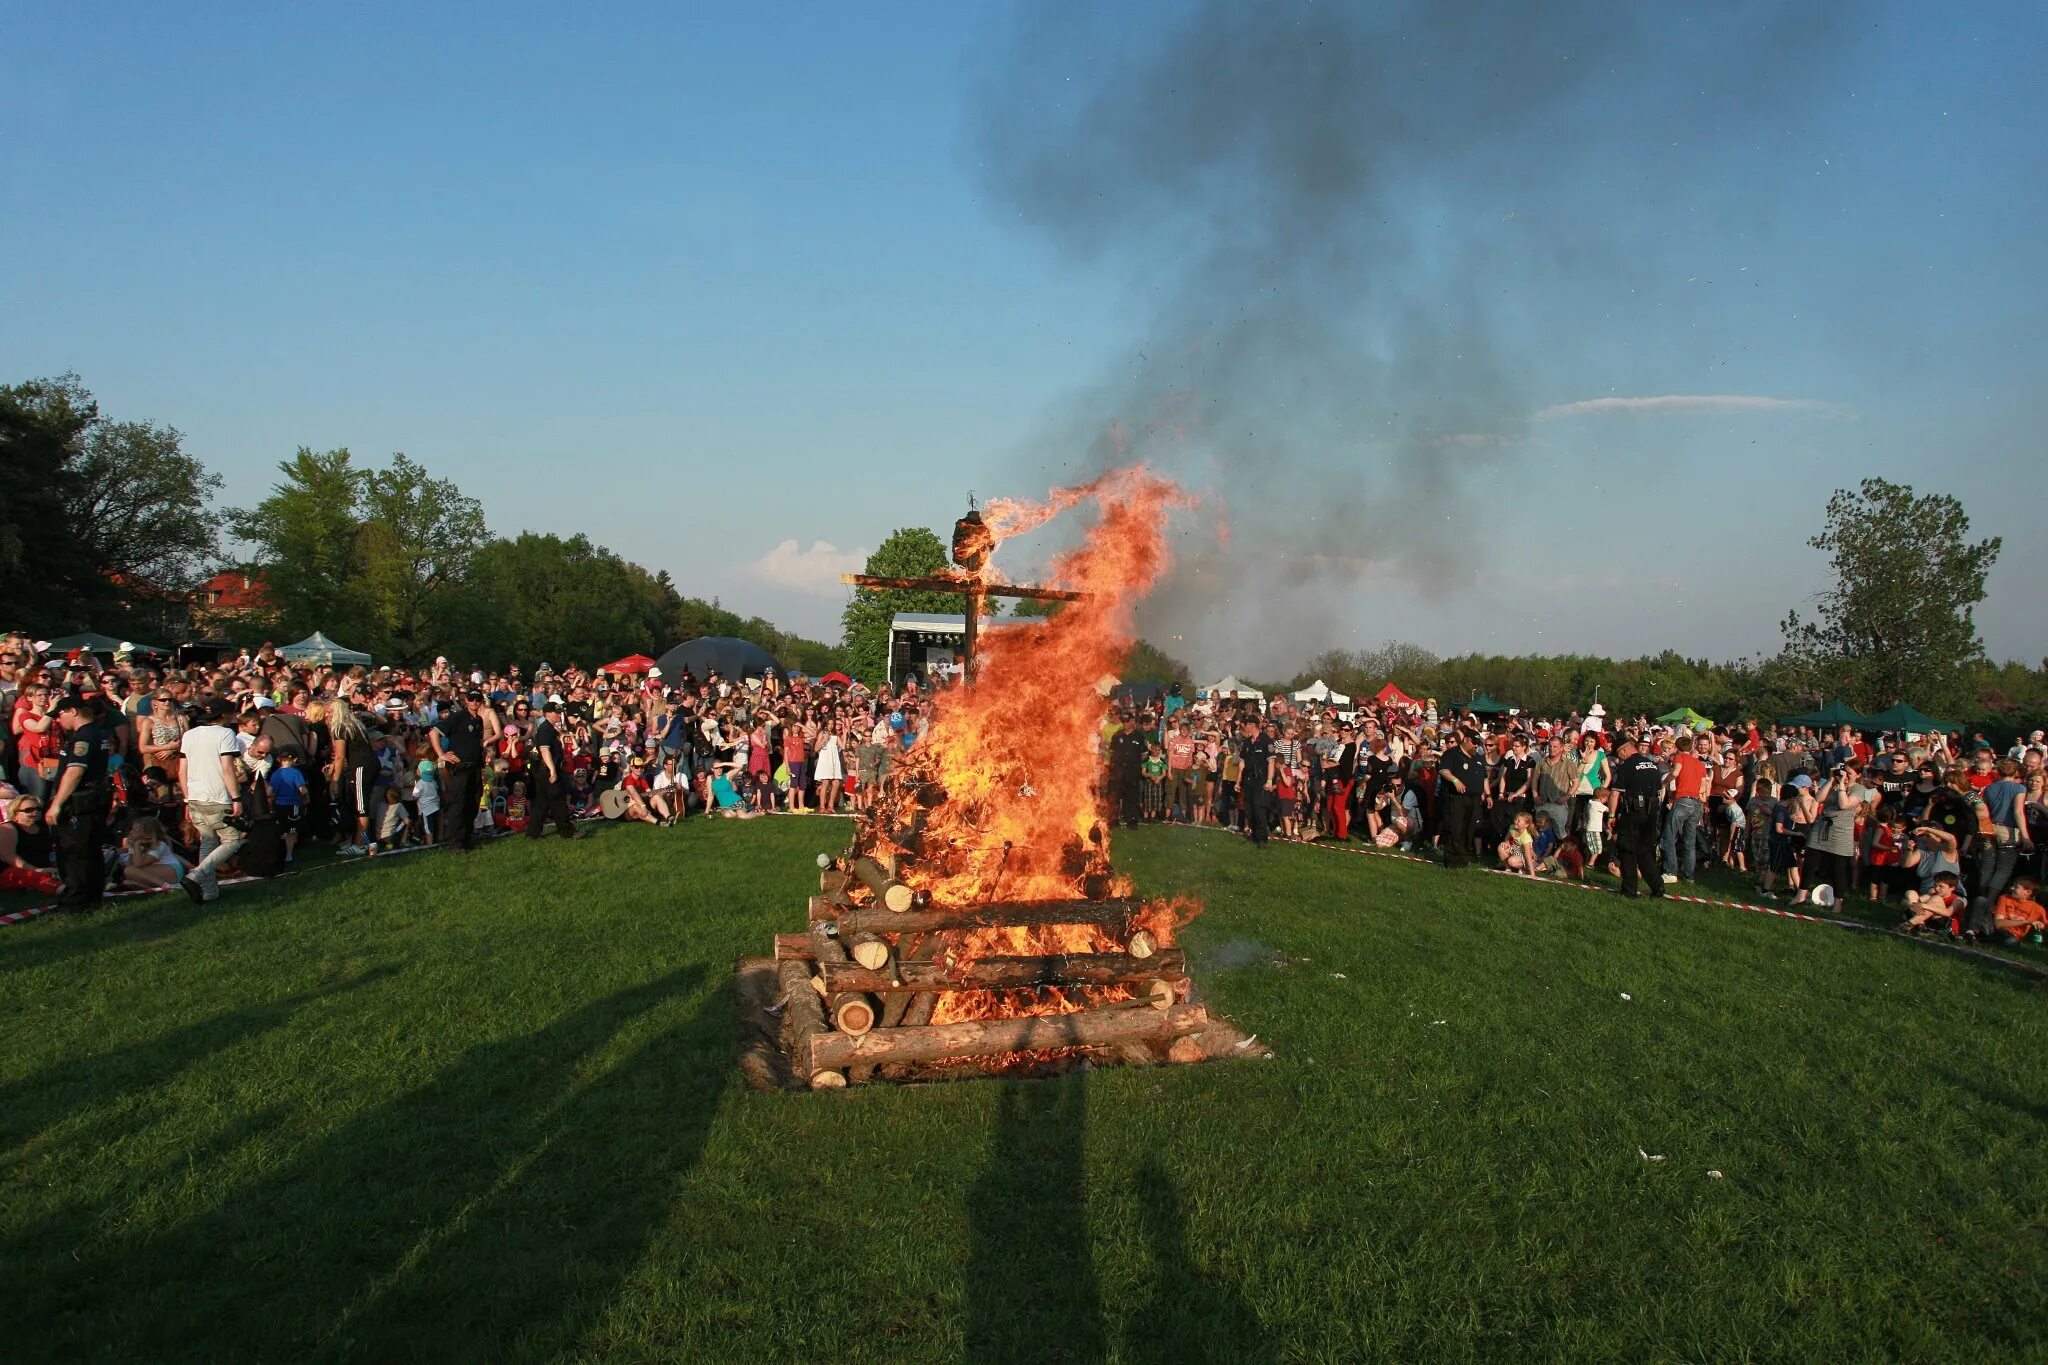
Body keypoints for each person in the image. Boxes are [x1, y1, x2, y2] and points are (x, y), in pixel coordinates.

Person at [46, 696, 116, 911]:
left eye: (60, 713)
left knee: (75, 852)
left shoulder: (83, 737)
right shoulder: (99, 733)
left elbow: (75, 772)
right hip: (93, 801)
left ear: (73, 711)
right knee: (91, 850)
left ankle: (75, 902)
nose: (58, 719)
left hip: (79, 804)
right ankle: (92, 897)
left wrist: (57, 803)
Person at [176, 700, 246, 905]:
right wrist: (236, 797)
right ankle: (196, 875)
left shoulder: (189, 735)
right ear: (224, 716)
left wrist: (187, 798)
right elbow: (227, 769)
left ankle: (210, 892)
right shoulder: (225, 734)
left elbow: (182, 770)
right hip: (218, 796)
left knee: (208, 841)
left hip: (195, 796)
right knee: (232, 840)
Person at [430, 689, 488, 851]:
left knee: (473, 803)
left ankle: (466, 839)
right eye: (471, 699)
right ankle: (455, 843)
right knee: (458, 805)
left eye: (477, 700)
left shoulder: (479, 720)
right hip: (460, 767)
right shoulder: (457, 717)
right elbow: (434, 733)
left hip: (475, 766)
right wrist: (442, 754)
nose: (474, 703)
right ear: (466, 701)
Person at [1609, 734, 1666, 899]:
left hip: (1633, 813)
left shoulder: (1626, 767)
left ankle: (1629, 890)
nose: (1618, 758)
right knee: (1645, 852)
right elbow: (1659, 789)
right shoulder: (1652, 765)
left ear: (1625, 750)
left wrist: (1612, 816)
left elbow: (1615, 794)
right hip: (1651, 813)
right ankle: (1657, 886)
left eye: (1618, 754)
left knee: (1627, 850)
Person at [525, 699, 581, 840]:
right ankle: (568, 832)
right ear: (547, 714)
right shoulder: (545, 730)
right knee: (558, 801)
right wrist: (552, 770)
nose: (559, 715)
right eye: (556, 712)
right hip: (547, 769)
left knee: (542, 803)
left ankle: (532, 833)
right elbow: (545, 751)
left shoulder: (550, 729)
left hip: (545, 770)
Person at [1661, 734, 1709, 882]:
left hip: (1683, 801)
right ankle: (1689, 875)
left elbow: (1675, 773)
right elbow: (1703, 787)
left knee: (1669, 836)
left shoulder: (1680, 758)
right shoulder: (1700, 764)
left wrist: (1664, 782)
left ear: (1678, 748)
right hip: (1696, 803)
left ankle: (1670, 872)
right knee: (1690, 841)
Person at [1435, 727, 1483, 869]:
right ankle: (1452, 860)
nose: (1476, 746)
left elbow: (1483, 777)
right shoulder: (1452, 754)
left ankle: (1464, 858)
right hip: (1456, 798)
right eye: (1474, 742)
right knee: (1455, 828)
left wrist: (1485, 794)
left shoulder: (1476, 757)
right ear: (1466, 740)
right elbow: (1443, 770)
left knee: (1468, 829)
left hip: (1473, 799)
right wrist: (1455, 780)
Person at [1108, 713, 1147, 829]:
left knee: (1132, 796)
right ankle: (1113, 820)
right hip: (1118, 772)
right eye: (1123, 721)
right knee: (1115, 796)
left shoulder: (1139, 737)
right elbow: (1111, 752)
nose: (1125, 723)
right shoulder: (1116, 736)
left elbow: (1144, 754)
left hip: (1132, 772)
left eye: (1127, 721)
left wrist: (1134, 763)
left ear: (1132, 722)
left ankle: (1131, 820)